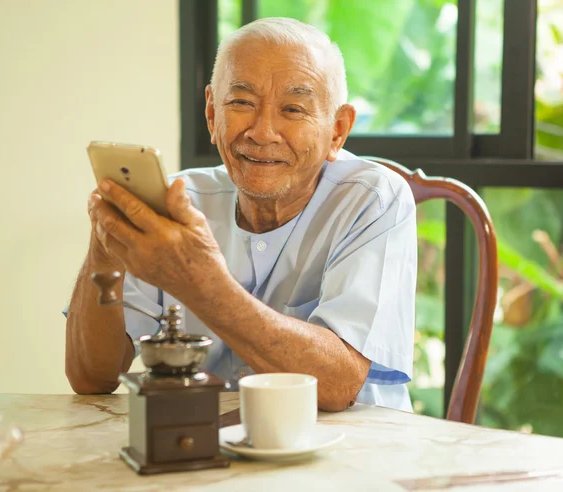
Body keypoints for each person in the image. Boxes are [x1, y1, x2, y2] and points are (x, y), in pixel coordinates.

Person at [65, 17, 417, 412]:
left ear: (337, 130)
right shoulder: (179, 202)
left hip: (354, 452)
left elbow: (337, 385)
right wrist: (105, 247)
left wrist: (202, 283)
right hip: (205, 451)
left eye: (293, 109)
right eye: (242, 103)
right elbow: (91, 377)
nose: (263, 131)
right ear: (213, 115)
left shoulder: (372, 198)